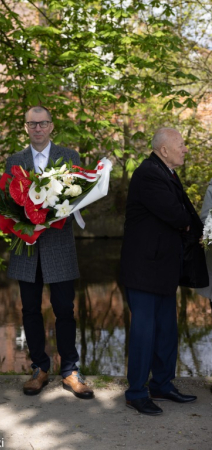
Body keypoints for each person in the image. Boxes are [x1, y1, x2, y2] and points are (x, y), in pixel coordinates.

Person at [5, 106, 94, 399]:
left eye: (43, 123)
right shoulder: (14, 161)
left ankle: (69, 370)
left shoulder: (70, 158)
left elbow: (79, 199)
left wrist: (55, 213)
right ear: (26, 127)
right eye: (32, 124)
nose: (38, 128)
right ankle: (39, 368)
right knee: (30, 310)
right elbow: (8, 204)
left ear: (51, 126)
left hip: (59, 244)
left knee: (65, 310)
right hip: (27, 248)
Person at [120, 128, 207, 415]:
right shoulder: (148, 174)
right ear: (165, 149)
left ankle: (161, 384)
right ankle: (136, 392)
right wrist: (188, 225)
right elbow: (177, 214)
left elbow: (181, 215)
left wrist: (188, 225)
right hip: (144, 270)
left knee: (167, 331)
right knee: (144, 334)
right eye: (181, 145)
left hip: (163, 269)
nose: (185, 149)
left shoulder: (166, 171)